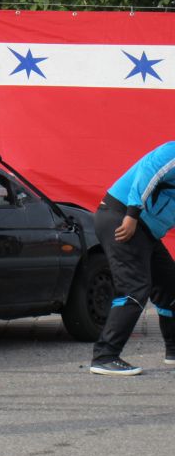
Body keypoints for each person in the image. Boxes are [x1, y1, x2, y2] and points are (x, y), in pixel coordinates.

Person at [90, 142, 175, 376]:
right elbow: (147, 173)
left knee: (170, 287)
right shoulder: (172, 152)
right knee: (134, 287)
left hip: (146, 231)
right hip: (123, 218)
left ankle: (173, 351)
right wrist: (132, 214)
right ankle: (105, 356)